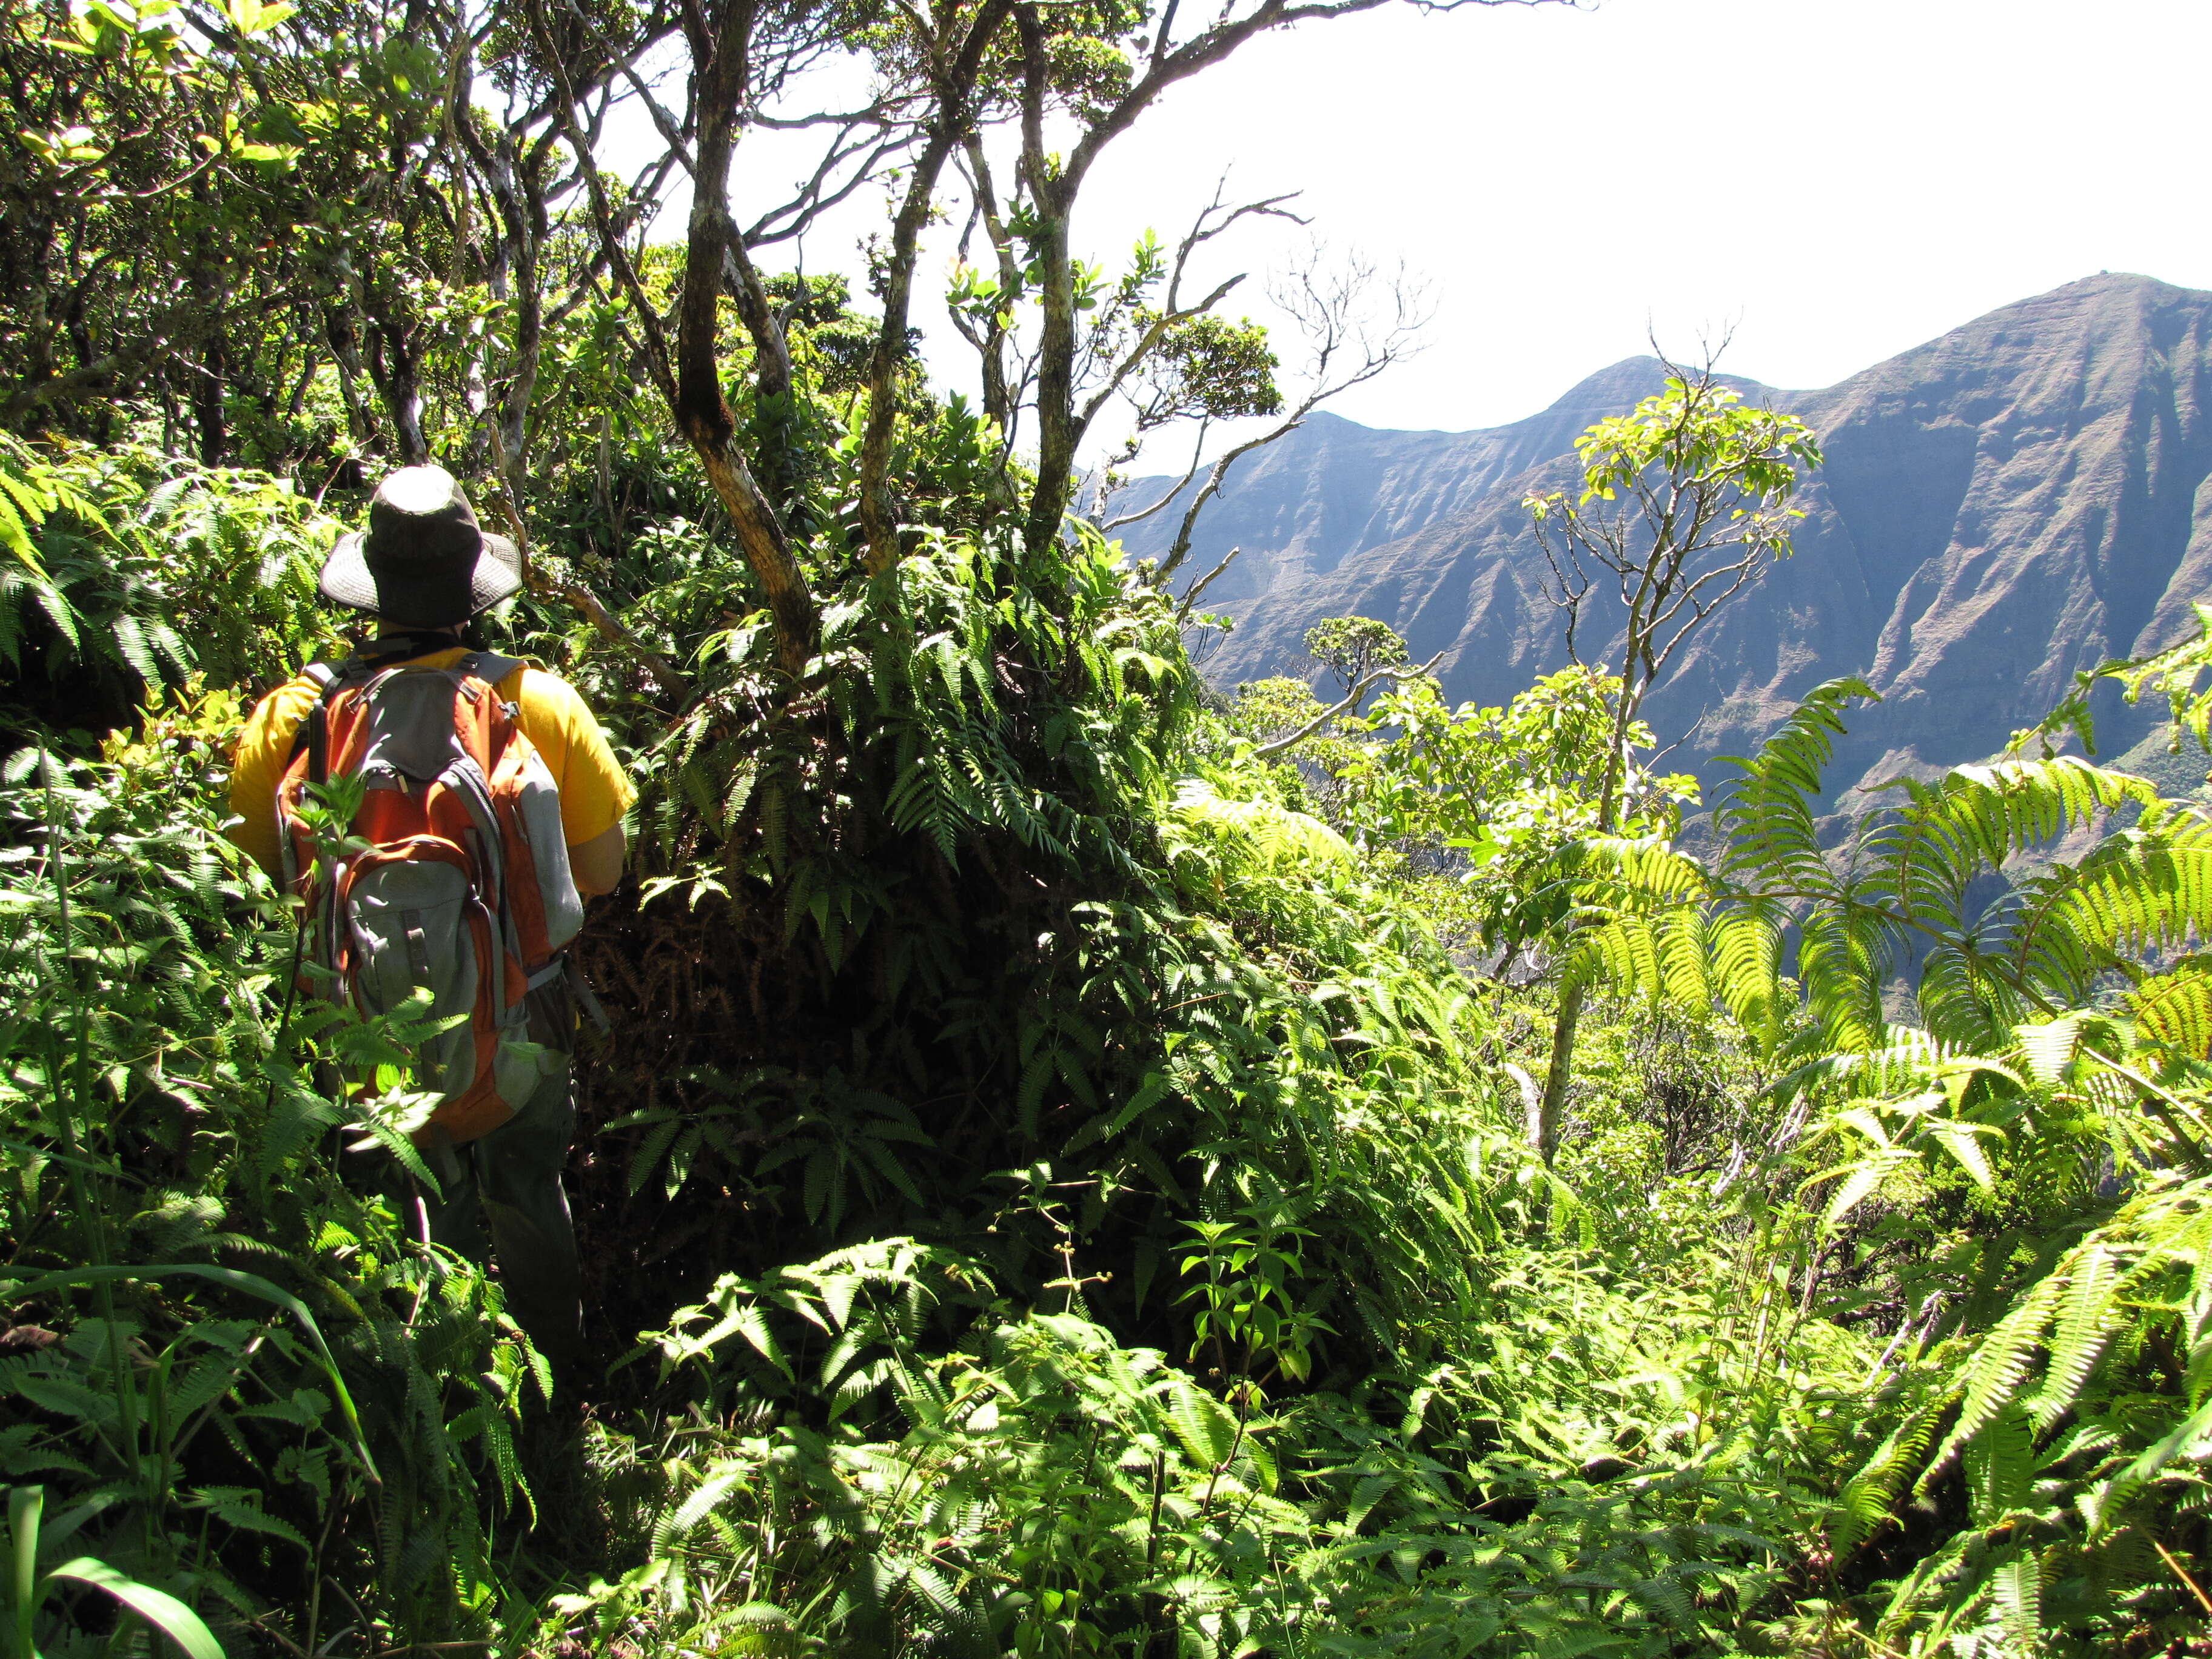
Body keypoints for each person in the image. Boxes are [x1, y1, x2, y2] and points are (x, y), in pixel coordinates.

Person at [229, 464, 632, 1370]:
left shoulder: (296, 715)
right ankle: (550, 1395)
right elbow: (602, 873)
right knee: (526, 1189)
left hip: (360, 1031)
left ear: (371, 588)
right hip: (520, 1019)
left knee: (406, 1210)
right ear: (470, 590)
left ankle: (435, 1407)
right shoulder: (536, 702)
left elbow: (260, 869)